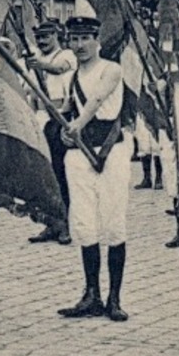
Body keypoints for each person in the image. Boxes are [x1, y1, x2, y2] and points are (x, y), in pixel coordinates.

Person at [55, 16, 134, 323]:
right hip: (78, 155)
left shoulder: (111, 69)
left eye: (85, 38)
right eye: (74, 39)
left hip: (109, 151)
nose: (79, 45)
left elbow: (97, 99)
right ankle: (92, 294)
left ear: (97, 40)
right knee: (84, 223)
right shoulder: (70, 77)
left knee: (113, 223)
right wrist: (62, 126)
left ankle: (115, 298)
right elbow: (64, 110)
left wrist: (76, 123)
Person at [24, 20, 75, 244]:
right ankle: (50, 223)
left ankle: (66, 224)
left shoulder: (66, 55)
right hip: (42, 119)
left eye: (47, 36)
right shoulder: (36, 60)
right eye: (39, 38)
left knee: (61, 175)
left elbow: (60, 69)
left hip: (61, 119)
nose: (42, 41)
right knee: (44, 176)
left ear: (56, 35)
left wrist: (39, 65)